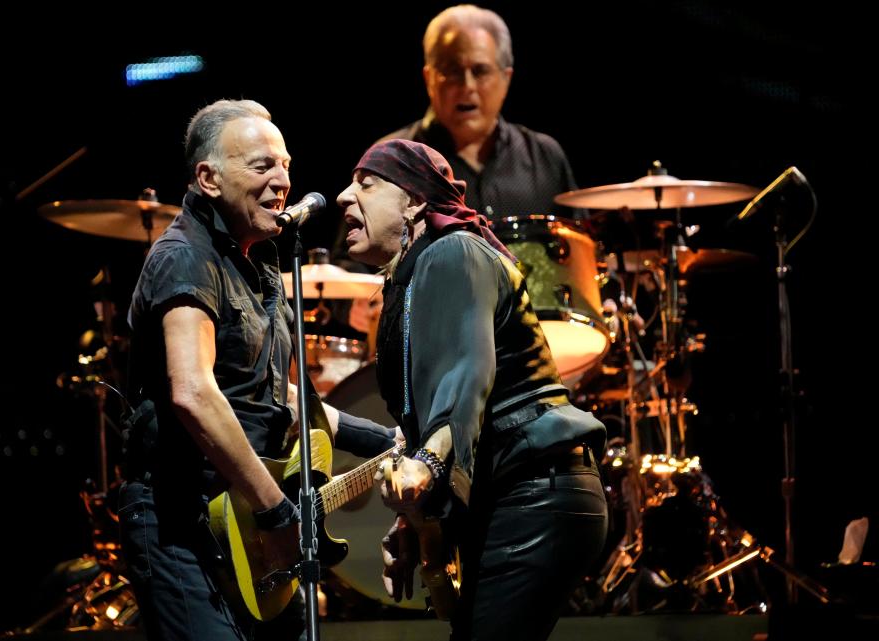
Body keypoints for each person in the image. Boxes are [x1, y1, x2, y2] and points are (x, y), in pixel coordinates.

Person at [118, 99, 396, 641]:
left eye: (286, 165)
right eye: (263, 165)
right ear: (209, 178)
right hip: (182, 523)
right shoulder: (184, 257)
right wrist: (275, 512)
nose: (283, 180)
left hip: (240, 521)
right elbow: (193, 392)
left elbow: (270, 396)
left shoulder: (258, 263)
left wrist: (384, 438)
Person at [337, 138, 608, 641]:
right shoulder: (412, 278)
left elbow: (468, 374)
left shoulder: (454, 250)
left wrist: (428, 465)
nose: (343, 198)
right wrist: (417, 524)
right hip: (523, 496)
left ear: (415, 201)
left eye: (366, 183)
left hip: (536, 495)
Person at [381, 4, 582, 220]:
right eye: (453, 71)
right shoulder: (393, 160)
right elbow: (351, 253)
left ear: (506, 80)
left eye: (480, 71)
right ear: (429, 79)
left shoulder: (546, 156)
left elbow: (584, 244)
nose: (467, 85)